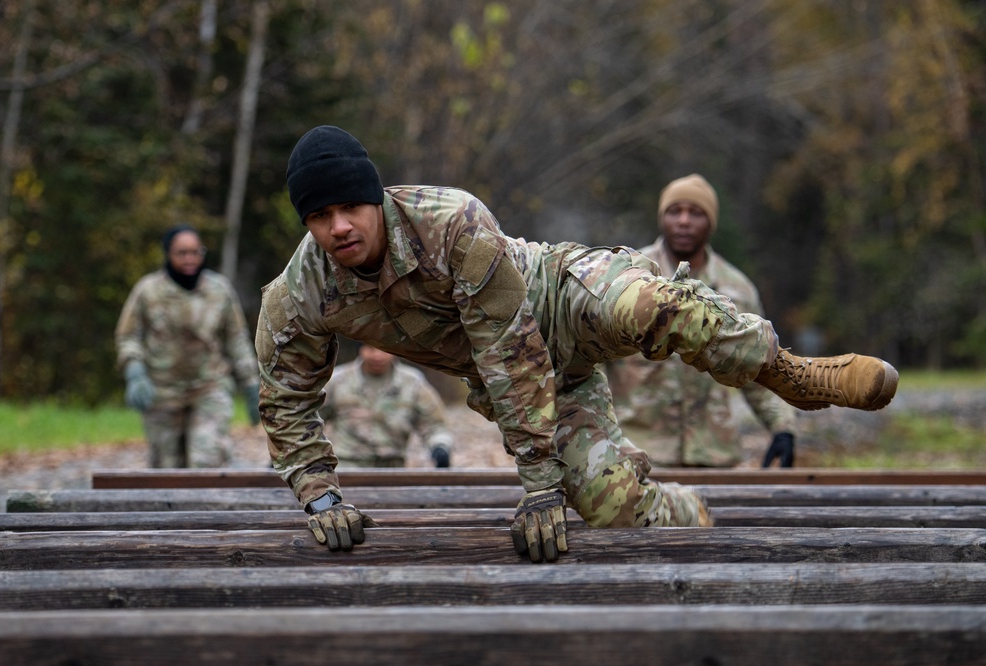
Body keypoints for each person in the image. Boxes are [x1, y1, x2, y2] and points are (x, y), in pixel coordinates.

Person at [256, 125, 898, 563]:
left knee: (656, 307)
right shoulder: (300, 293)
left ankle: (790, 372)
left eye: (349, 207)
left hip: (559, 298)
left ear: (374, 197)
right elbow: (286, 397)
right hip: (544, 385)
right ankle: (683, 507)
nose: (338, 227)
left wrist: (537, 486)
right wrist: (321, 494)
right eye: (318, 216)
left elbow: (507, 347)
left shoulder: (449, 221)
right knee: (609, 507)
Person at [607, 174, 798, 468]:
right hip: (638, 460)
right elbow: (590, 362)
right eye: (674, 211)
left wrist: (783, 427)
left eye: (695, 213)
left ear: (711, 222)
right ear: (662, 219)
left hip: (716, 459)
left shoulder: (738, 291)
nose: (684, 221)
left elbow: (761, 369)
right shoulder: (629, 279)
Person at [115, 224, 261, 468]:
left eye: (196, 252)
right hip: (163, 392)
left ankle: (211, 504)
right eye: (182, 253)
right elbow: (128, 336)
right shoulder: (148, 291)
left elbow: (236, 339)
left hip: (209, 386)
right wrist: (134, 371)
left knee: (207, 459)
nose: (190, 259)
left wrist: (251, 384)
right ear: (168, 254)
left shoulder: (219, 290)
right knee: (168, 467)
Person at [320, 344, 453, 468]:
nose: (378, 355)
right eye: (371, 348)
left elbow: (435, 426)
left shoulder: (412, 383)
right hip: (346, 467)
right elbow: (310, 419)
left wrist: (440, 447)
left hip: (393, 468)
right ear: (361, 349)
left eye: (384, 349)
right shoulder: (338, 380)